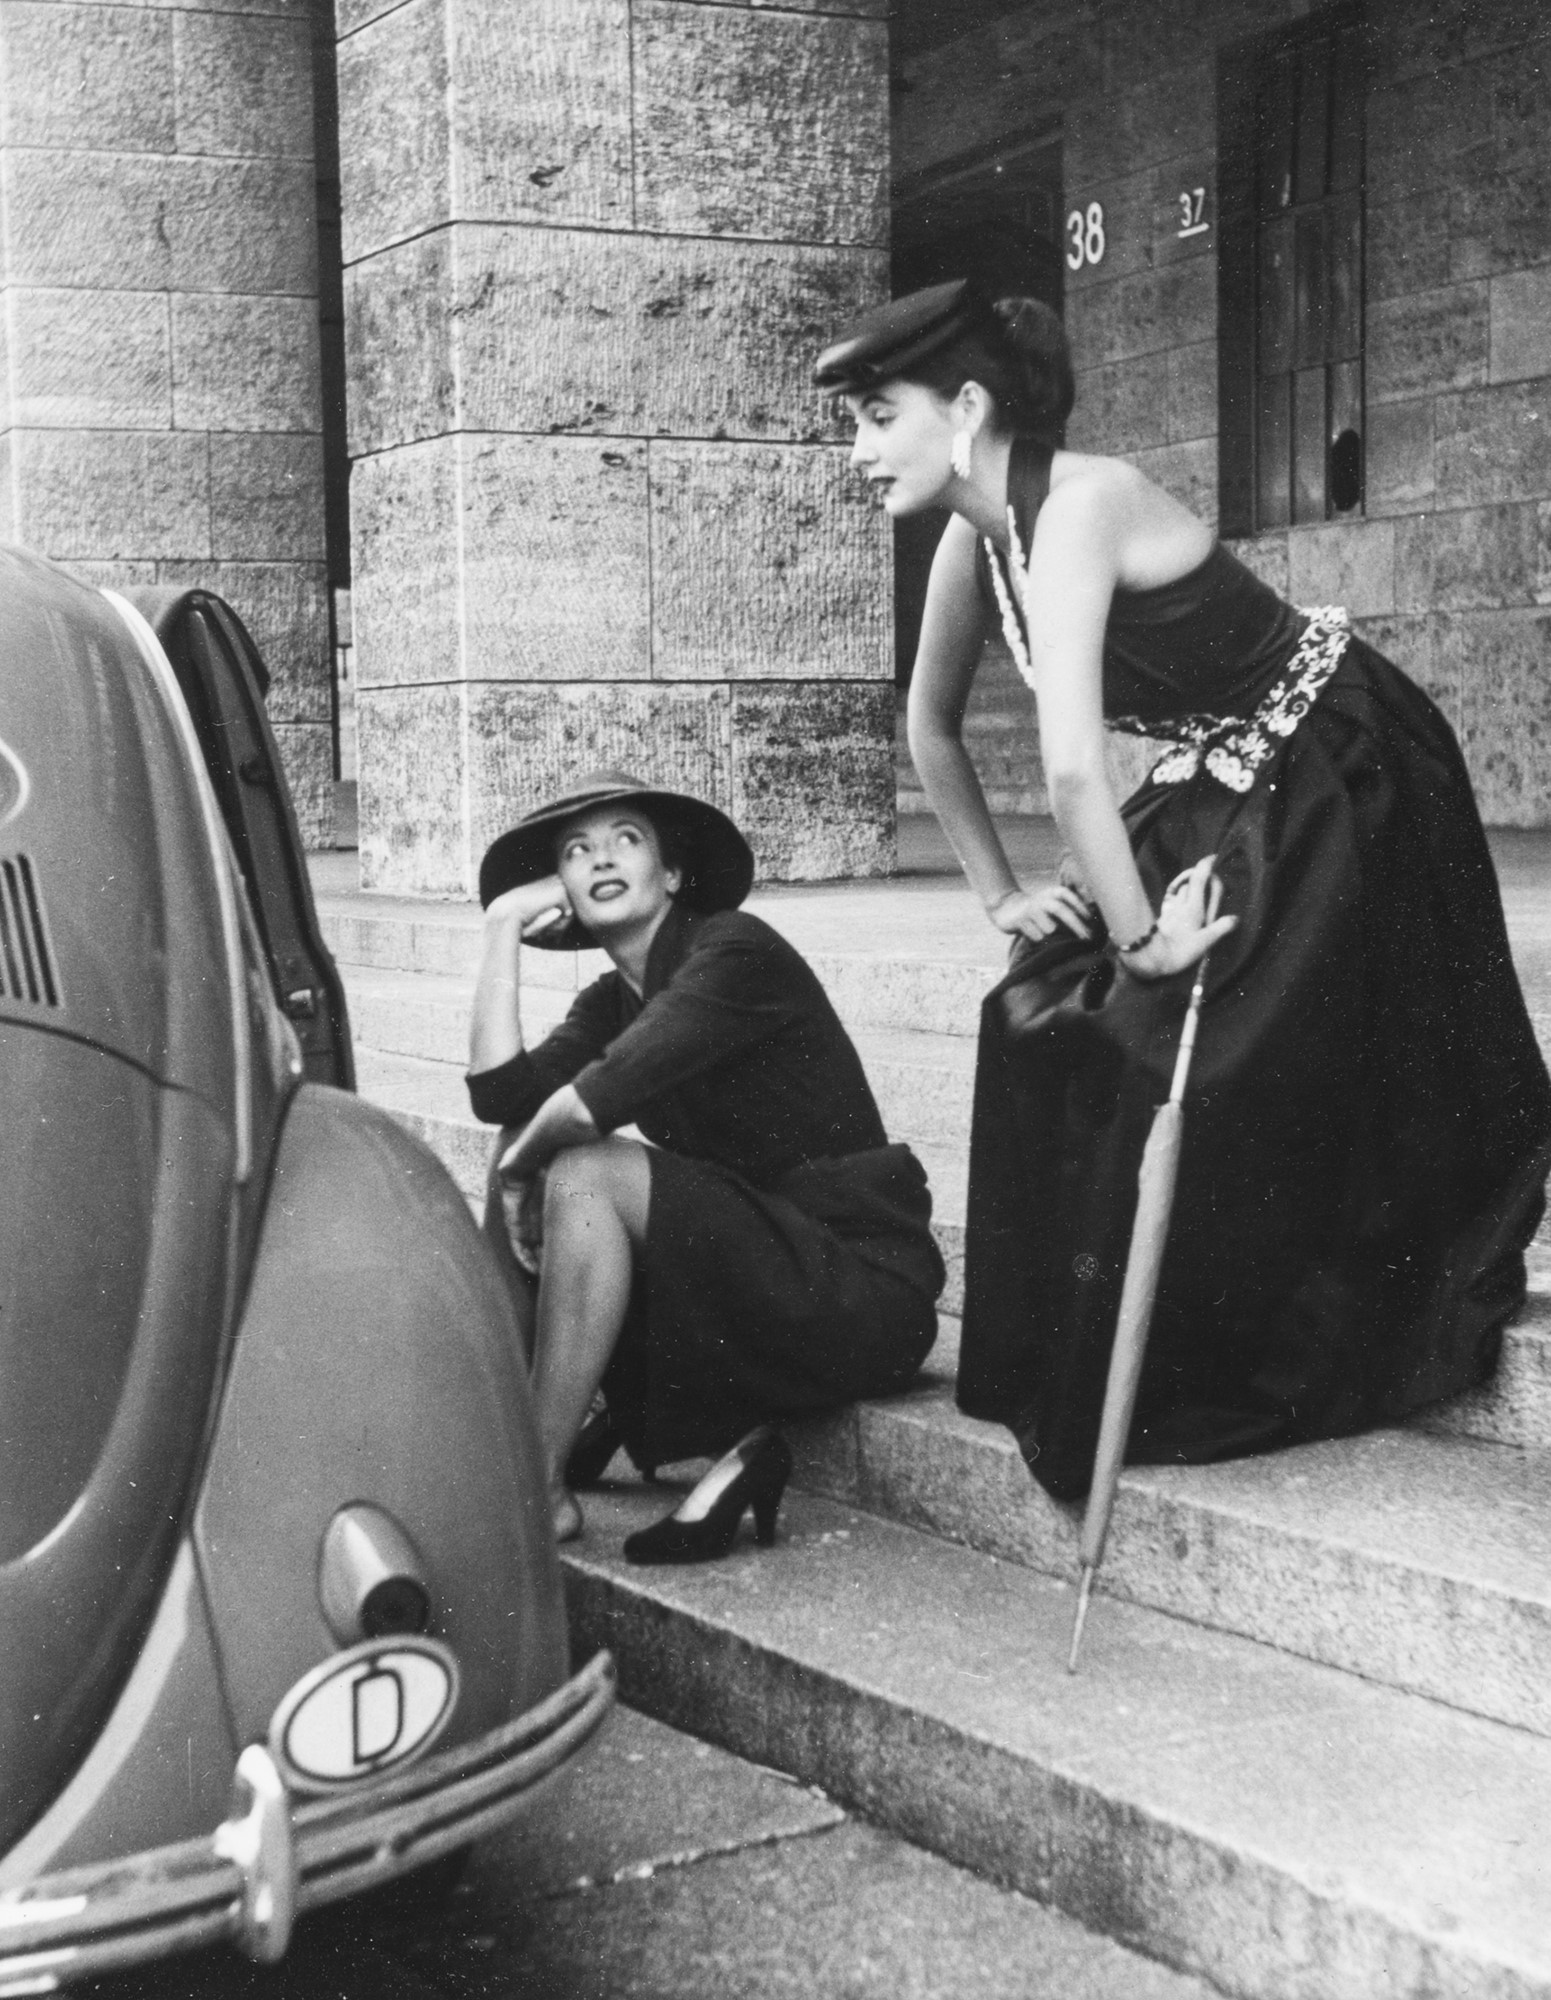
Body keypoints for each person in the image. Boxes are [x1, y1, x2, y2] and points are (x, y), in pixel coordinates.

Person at [814, 279, 1551, 1503]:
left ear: (970, 407)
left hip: (1343, 755)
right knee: (1041, 994)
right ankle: (1080, 1349)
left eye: (879, 416)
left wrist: (1148, 940)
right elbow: (929, 727)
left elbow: (1069, 769)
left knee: (1194, 1019)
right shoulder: (970, 543)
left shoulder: (1082, 504)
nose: (858, 451)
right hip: (1226, 766)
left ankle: (1243, 1342)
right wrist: (1000, 897)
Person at [466, 769, 945, 1556]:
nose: (600, 858)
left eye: (626, 839)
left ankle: (536, 1482)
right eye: (576, 852)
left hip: (856, 1285)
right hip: (756, 1270)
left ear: (672, 874)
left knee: (579, 1169)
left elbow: (592, 1103)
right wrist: (499, 927)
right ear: (563, 894)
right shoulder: (611, 1000)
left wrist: (525, 1171)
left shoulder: (735, 950)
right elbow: (499, 1095)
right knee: (519, 1138)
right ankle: (509, 1433)